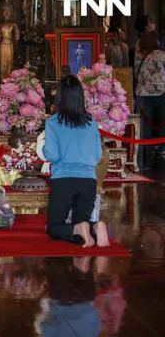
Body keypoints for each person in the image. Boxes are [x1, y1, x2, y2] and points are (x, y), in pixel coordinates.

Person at [43, 76, 110, 248]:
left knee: (54, 228)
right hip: (88, 181)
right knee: (82, 222)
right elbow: (97, 156)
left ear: (59, 97)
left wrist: (43, 150)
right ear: (80, 96)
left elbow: (52, 155)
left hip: (63, 180)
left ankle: (84, 230)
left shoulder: (53, 122)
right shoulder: (91, 123)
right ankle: (96, 228)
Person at [134, 31, 165, 168]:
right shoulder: (161, 55)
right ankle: (162, 148)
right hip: (161, 93)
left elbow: (136, 73)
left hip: (142, 94)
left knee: (143, 128)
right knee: (162, 124)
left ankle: (143, 159)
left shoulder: (139, 55)